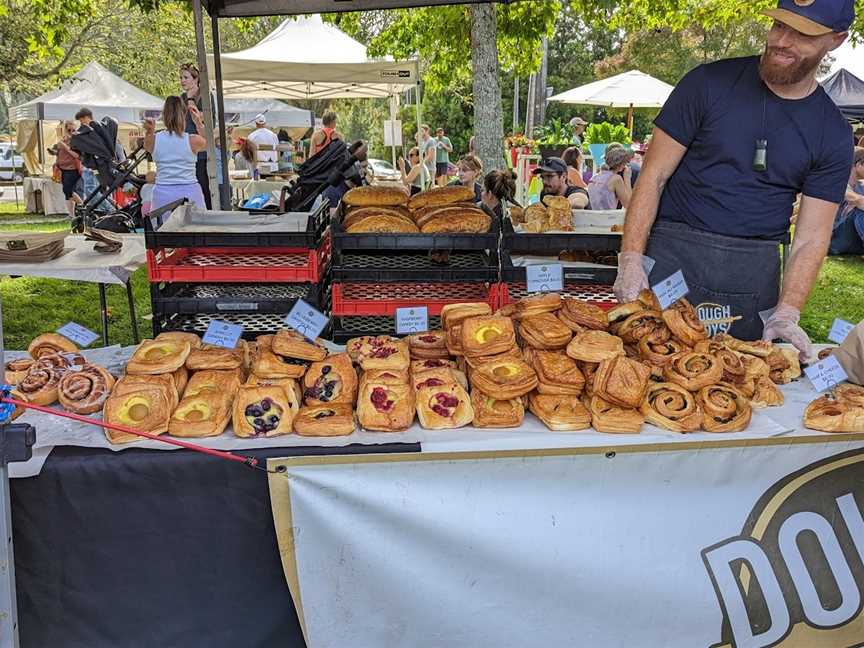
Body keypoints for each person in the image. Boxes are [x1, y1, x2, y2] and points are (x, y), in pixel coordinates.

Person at [614, 0, 854, 359]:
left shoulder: (832, 133)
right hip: (672, 256)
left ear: (835, 40)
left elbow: (811, 236)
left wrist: (789, 310)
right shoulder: (707, 83)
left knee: (738, 381)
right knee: (646, 367)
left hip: (752, 274)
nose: (782, 41)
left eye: (802, 34)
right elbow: (653, 176)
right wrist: (631, 259)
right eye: (779, 26)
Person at [144, 95, 208, 210]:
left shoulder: (153, 140)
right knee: (196, 227)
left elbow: (147, 144)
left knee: (164, 227)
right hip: (190, 193)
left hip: (163, 193)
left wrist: (150, 131)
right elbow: (208, 144)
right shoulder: (193, 140)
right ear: (184, 115)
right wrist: (198, 122)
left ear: (164, 116)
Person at [179, 63, 212, 209]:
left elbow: (202, 118)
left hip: (201, 151)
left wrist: (191, 99)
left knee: (202, 186)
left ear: (196, 78)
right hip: (185, 148)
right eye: (181, 77)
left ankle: (207, 214)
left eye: (185, 77)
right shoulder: (181, 97)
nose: (182, 80)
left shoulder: (205, 96)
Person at [828, 146, 864, 255]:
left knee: (858, 208)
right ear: (858, 165)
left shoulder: (860, 186)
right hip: (837, 239)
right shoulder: (837, 183)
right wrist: (857, 202)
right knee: (858, 210)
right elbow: (856, 199)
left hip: (855, 240)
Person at [54, 120, 82, 218]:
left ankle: (83, 206)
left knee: (68, 190)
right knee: (67, 192)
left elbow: (77, 155)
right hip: (63, 168)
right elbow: (60, 153)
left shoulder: (77, 141)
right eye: (69, 129)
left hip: (73, 169)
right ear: (65, 129)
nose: (71, 132)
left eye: (73, 130)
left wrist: (65, 147)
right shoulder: (64, 139)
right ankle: (71, 215)